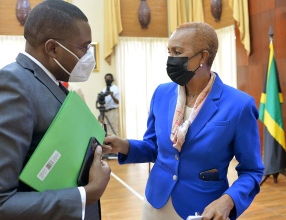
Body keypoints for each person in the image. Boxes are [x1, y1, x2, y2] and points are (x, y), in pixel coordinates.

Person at [103, 22, 264, 220]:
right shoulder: (161, 94)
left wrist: (228, 199)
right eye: (169, 52)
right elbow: (154, 148)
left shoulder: (239, 105)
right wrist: (125, 146)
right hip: (154, 203)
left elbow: (252, 170)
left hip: (202, 210)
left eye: (178, 52)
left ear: (203, 57)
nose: (171, 59)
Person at [0, 1, 111, 219]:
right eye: (84, 47)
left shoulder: (51, 82)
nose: (89, 56)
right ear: (52, 48)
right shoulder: (11, 86)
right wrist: (85, 195)